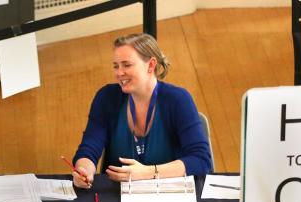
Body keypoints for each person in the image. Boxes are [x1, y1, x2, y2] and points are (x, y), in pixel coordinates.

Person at [72, 33, 212, 188]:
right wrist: (84, 169)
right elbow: (89, 148)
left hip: (170, 194)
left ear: (151, 65)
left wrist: (147, 173)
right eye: (116, 66)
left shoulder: (178, 100)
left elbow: (201, 160)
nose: (119, 73)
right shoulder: (106, 98)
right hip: (118, 197)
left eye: (127, 65)